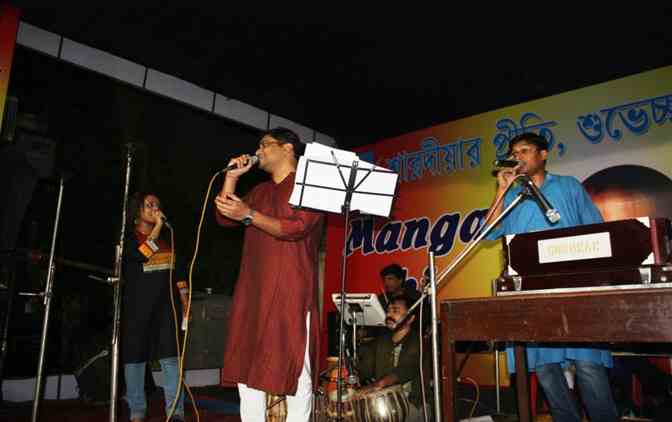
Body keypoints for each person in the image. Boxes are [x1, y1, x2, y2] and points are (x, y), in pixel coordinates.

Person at [486, 132, 618, 422]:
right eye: (514, 153)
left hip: (573, 289)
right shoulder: (512, 196)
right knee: (545, 368)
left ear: (543, 154)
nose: (517, 157)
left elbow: (597, 229)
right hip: (531, 293)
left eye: (524, 151)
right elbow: (488, 231)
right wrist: (502, 189)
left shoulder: (568, 186)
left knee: (587, 365)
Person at [214, 127, 324, 422]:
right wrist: (232, 178)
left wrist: (249, 215)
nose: (258, 151)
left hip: (291, 290)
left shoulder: (310, 185)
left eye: (264, 144)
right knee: (247, 368)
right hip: (254, 291)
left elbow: (296, 227)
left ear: (288, 148)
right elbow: (224, 215)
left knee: (295, 369)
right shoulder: (260, 191)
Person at [121, 192, 188, 422]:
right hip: (137, 311)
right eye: (149, 205)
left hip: (166, 311)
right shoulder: (129, 240)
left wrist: (185, 301)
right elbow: (142, 255)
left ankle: (175, 412)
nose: (155, 208)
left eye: (157, 205)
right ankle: (137, 411)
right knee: (135, 360)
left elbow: (179, 274)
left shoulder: (166, 242)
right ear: (136, 211)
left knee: (171, 359)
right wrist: (158, 227)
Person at [356, 295, 430, 422]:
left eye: (395, 311)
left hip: (411, 404)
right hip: (384, 403)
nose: (389, 315)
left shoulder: (417, 342)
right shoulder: (382, 340)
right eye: (388, 311)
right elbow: (365, 369)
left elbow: (404, 370)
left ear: (411, 318)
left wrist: (376, 386)